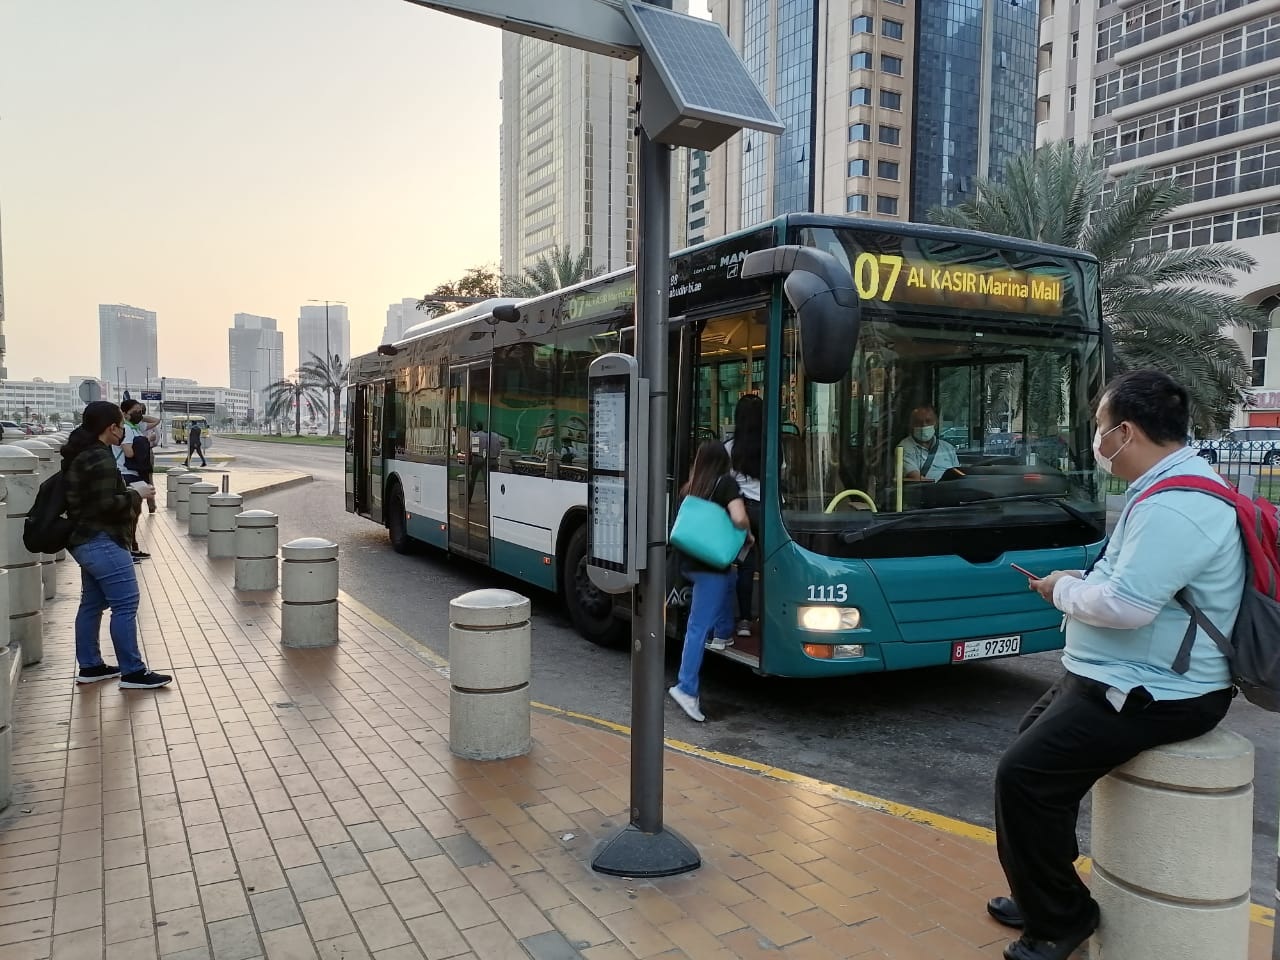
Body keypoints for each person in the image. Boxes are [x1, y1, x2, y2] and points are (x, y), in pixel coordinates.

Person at [988, 370, 1241, 960]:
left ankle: (1061, 920)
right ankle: (1041, 889)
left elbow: (1126, 606)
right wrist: (1079, 582)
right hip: (1115, 677)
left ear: (1125, 433)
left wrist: (1059, 591)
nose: (1097, 443)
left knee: (1024, 778)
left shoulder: (1179, 506)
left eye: (1100, 429)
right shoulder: (1164, 489)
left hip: (1158, 692)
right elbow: (1127, 582)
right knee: (1028, 764)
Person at [62, 401, 172, 689]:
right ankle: (132, 672)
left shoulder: (84, 454)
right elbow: (104, 505)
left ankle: (91, 666)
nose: (123, 430)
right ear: (110, 427)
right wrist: (135, 493)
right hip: (102, 540)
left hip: (84, 540)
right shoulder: (98, 458)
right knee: (125, 603)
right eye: (121, 426)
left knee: (92, 604)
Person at [668, 440, 753, 723]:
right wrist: (748, 534)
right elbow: (739, 518)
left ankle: (724, 631)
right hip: (711, 567)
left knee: (731, 577)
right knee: (697, 627)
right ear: (723, 462)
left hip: (690, 562)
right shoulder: (726, 484)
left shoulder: (691, 487)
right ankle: (686, 688)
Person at [725, 394, 762, 638]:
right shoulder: (773, 445)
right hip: (770, 511)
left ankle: (745, 621)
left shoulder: (729, 447)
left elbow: (726, 481)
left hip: (743, 510)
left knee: (746, 567)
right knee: (772, 565)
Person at [898, 405, 961, 481]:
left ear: (936, 423)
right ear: (911, 425)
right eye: (918, 422)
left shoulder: (947, 448)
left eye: (928, 421)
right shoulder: (903, 448)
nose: (924, 425)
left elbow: (958, 476)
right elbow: (916, 478)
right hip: (926, 490)